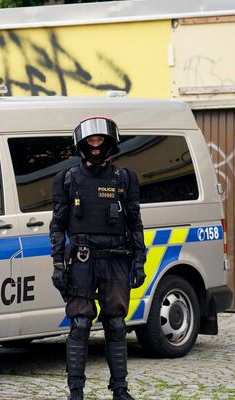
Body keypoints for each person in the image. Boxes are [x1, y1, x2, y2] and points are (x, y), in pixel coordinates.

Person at [50, 117, 145, 400]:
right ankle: (75, 391)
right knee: (79, 325)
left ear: (108, 143)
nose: (95, 146)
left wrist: (139, 260)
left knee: (116, 323)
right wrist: (57, 263)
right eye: (90, 141)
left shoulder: (125, 178)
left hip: (116, 259)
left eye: (99, 141)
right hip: (81, 259)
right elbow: (57, 225)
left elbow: (135, 222)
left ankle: (120, 389)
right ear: (82, 144)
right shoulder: (66, 179)